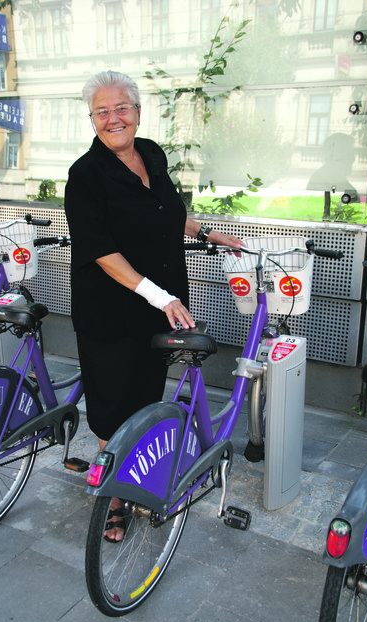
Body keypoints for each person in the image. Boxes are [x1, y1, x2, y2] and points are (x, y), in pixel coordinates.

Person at [65, 70, 245, 540]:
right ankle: (114, 499)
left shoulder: (152, 154)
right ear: (92, 120)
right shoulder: (85, 176)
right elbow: (101, 251)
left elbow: (166, 211)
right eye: (102, 111)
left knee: (145, 396)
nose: (113, 118)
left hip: (156, 306)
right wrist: (160, 296)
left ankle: (138, 478)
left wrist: (207, 233)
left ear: (138, 112)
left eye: (121, 107)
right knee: (112, 405)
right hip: (112, 308)